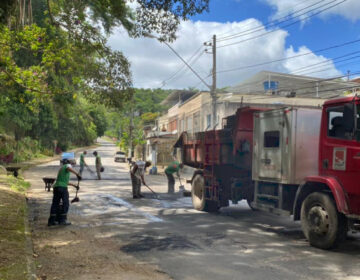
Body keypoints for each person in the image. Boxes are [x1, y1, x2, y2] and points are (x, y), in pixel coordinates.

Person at [48, 159, 81, 226]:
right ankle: (62, 220)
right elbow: (69, 168)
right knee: (66, 203)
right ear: (71, 163)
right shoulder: (68, 165)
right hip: (62, 188)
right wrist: (77, 174)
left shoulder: (61, 169)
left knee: (55, 204)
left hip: (56, 187)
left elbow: (64, 181)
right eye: (74, 164)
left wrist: (74, 185)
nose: (73, 166)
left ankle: (51, 221)